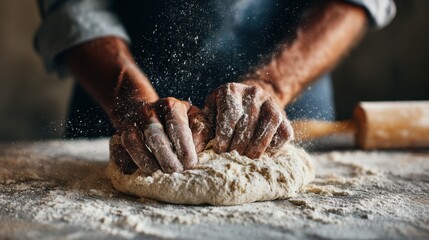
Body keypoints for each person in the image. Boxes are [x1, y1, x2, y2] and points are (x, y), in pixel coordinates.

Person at [35, 0, 395, 173]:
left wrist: (273, 84)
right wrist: (130, 100)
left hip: (287, 109)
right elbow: (74, 6)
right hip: (121, 109)